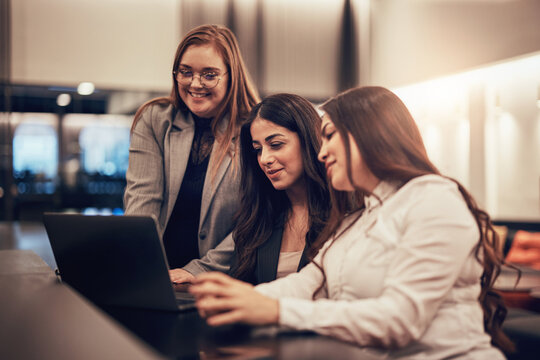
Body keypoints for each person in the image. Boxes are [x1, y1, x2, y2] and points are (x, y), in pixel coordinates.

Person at [190, 86, 512, 358]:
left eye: (329, 136)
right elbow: (306, 283)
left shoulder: (434, 200)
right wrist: (240, 299)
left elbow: (401, 320)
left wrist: (275, 311)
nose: (322, 152)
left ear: (371, 135)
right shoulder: (358, 218)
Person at [124, 24, 259, 280]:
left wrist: (196, 271)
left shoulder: (255, 128)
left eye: (209, 75)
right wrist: (142, 265)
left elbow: (256, 220)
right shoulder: (154, 119)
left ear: (233, 76)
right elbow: (142, 203)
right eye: (185, 72)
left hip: (224, 280)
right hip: (158, 275)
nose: (195, 84)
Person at [231, 93, 333, 284]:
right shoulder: (256, 217)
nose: (264, 159)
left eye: (276, 145)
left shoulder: (343, 214)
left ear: (308, 139)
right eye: (258, 150)